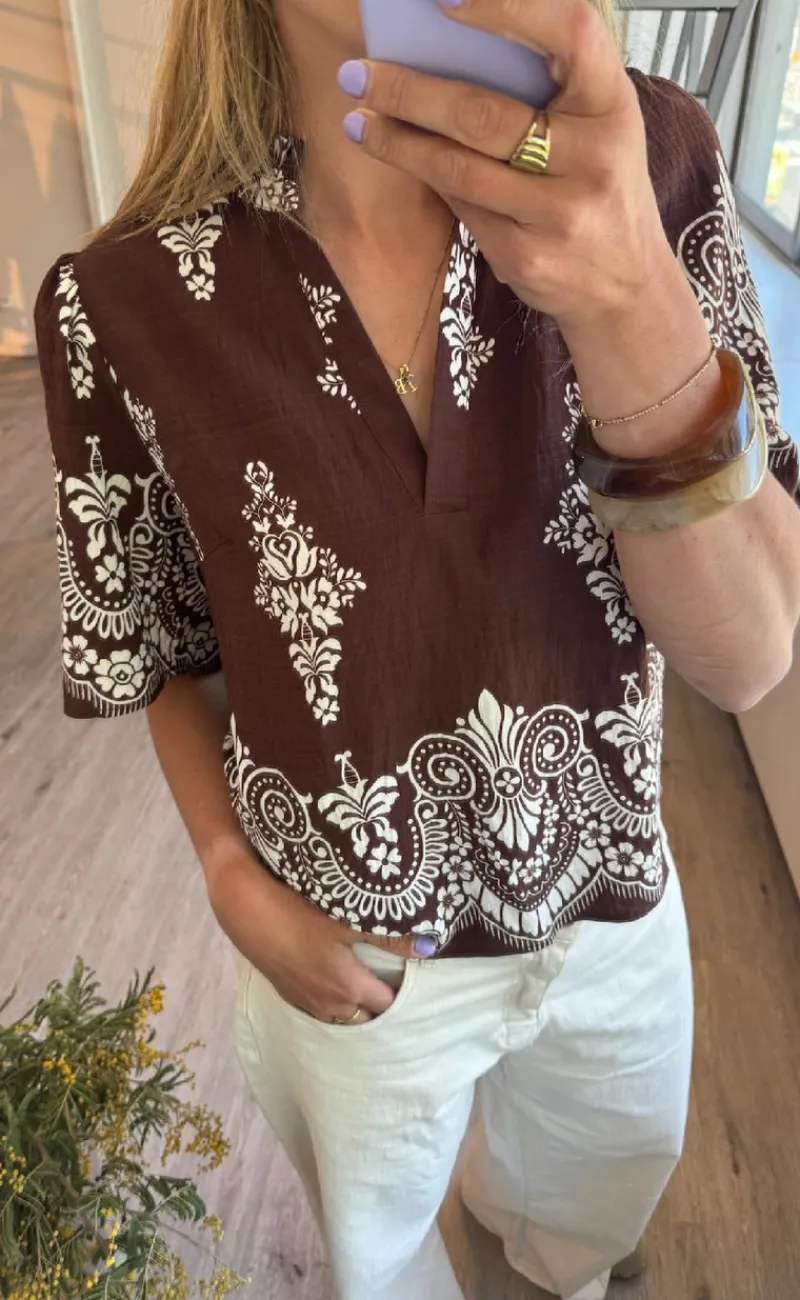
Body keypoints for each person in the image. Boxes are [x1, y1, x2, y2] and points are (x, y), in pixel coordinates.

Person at [35, 0, 800, 1297]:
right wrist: (224, 871)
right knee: (382, 1261)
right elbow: (163, 642)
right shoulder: (123, 304)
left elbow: (749, 657)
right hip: (342, 939)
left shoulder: (658, 163)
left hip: (611, 894)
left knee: (585, 1226)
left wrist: (629, 294)